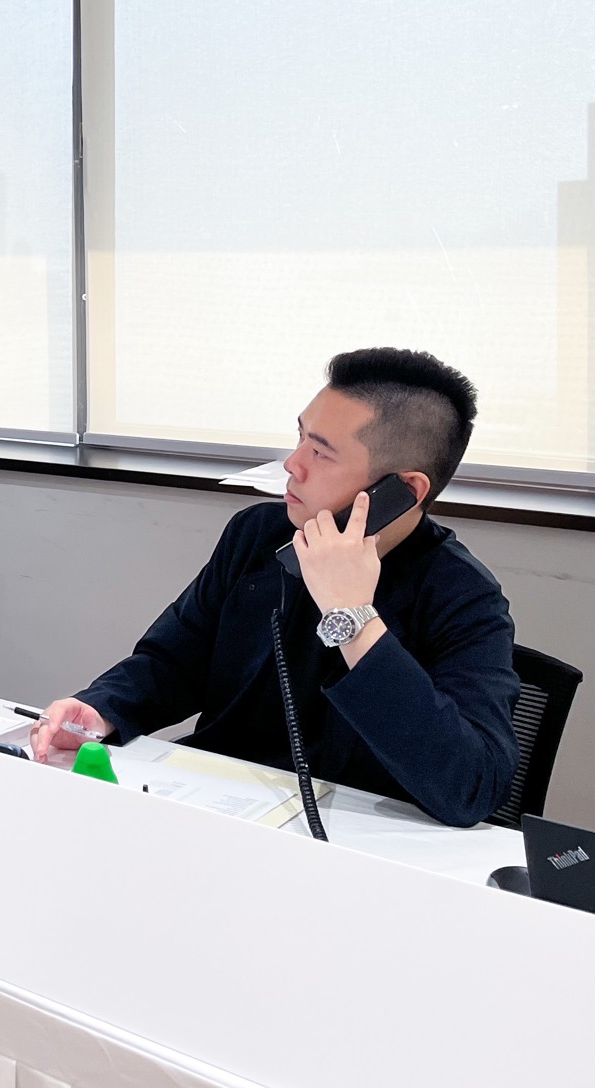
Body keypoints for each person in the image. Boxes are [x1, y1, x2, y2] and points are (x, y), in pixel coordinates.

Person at [30, 347, 520, 828]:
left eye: (321, 453)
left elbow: (472, 786)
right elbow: (174, 662)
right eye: (301, 437)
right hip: (216, 810)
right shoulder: (260, 536)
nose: (292, 463)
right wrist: (100, 709)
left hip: (357, 841)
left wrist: (353, 618)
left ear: (403, 491)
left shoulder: (465, 596)